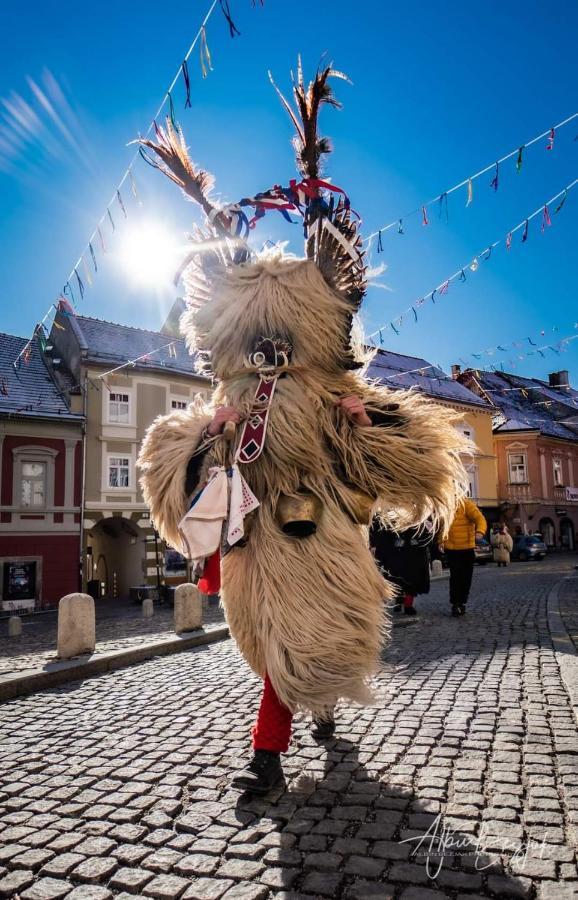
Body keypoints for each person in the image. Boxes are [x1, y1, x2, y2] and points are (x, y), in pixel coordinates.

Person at [137, 63, 470, 796]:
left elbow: (402, 460)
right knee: (276, 649)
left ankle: (267, 758)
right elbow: (170, 467)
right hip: (255, 541)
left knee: (305, 643)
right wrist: (207, 435)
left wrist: (364, 418)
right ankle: (303, 715)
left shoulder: (326, 388)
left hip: (314, 529)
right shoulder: (232, 390)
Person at [369, 521, 432, 616]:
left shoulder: (419, 515)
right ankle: (400, 601)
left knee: (411, 580)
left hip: (413, 552)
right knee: (397, 578)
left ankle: (407, 605)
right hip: (396, 551)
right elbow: (381, 530)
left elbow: (427, 532)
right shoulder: (389, 515)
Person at [441, 499, 487, 617]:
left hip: (467, 548)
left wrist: (480, 532)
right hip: (451, 549)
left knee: (465, 578)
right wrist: (440, 541)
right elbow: (442, 527)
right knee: (455, 577)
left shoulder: (467, 505)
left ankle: (461, 602)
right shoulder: (445, 507)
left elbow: (480, 519)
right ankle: (456, 604)